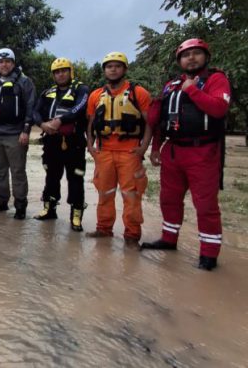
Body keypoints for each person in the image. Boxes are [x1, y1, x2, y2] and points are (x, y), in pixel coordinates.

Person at [141, 39, 231, 271]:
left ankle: (209, 253)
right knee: (168, 198)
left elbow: (219, 108)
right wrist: (155, 148)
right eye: (185, 55)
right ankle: (169, 239)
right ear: (179, 61)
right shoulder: (171, 85)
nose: (191, 58)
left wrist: (192, 90)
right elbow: (161, 120)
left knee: (205, 204)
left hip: (203, 150)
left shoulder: (216, 79)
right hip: (173, 150)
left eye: (196, 53)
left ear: (206, 57)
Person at [86, 51, 152, 246]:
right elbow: (90, 124)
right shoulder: (96, 95)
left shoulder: (139, 93)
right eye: (109, 66)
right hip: (104, 152)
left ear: (124, 69)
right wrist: (90, 146)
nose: (113, 70)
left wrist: (143, 147)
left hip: (130, 152)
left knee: (131, 196)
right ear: (104, 70)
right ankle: (103, 229)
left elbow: (150, 123)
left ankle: (132, 235)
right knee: (104, 193)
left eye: (117, 66)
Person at [33, 58, 89, 231]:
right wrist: (42, 124)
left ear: (70, 72)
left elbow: (79, 107)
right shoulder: (47, 92)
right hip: (52, 142)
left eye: (64, 70)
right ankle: (49, 209)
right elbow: (35, 112)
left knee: (76, 178)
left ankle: (76, 216)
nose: (61, 74)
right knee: (51, 176)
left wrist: (60, 120)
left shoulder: (81, 89)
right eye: (57, 72)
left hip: (74, 143)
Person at [0, 47, 36, 220]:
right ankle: (1, 202)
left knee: (18, 171)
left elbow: (30, 107)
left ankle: (20, 206)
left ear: (13, 63)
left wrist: (26, 131)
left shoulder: (24, 82)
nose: (4, 65)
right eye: (0, 62)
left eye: (7, 61)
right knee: (0, 171)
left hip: (16, 134)